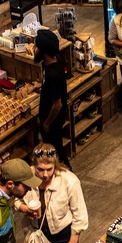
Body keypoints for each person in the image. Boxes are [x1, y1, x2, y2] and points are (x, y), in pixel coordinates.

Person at [15, 144, 88, 243]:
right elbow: (15, 198)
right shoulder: (26, 177)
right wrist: (23, 208)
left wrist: (73, 242)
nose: (45, 174)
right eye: (40, 170)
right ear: (33, 166)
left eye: (49, 169)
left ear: (55, 165)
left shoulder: (69, 181)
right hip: (38, 233)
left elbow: (80, 214)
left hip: (62, 235)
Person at [34, 29, 71, 168]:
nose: (34, 49)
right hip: (55, 119)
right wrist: (42, 85)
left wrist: (46, 124)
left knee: (56, 152)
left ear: (42, 50)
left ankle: (68, 176)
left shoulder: (52, 74)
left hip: (52, 121)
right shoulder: (56, 60)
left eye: (36, 46)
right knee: (56, 150)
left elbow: (57, 105)